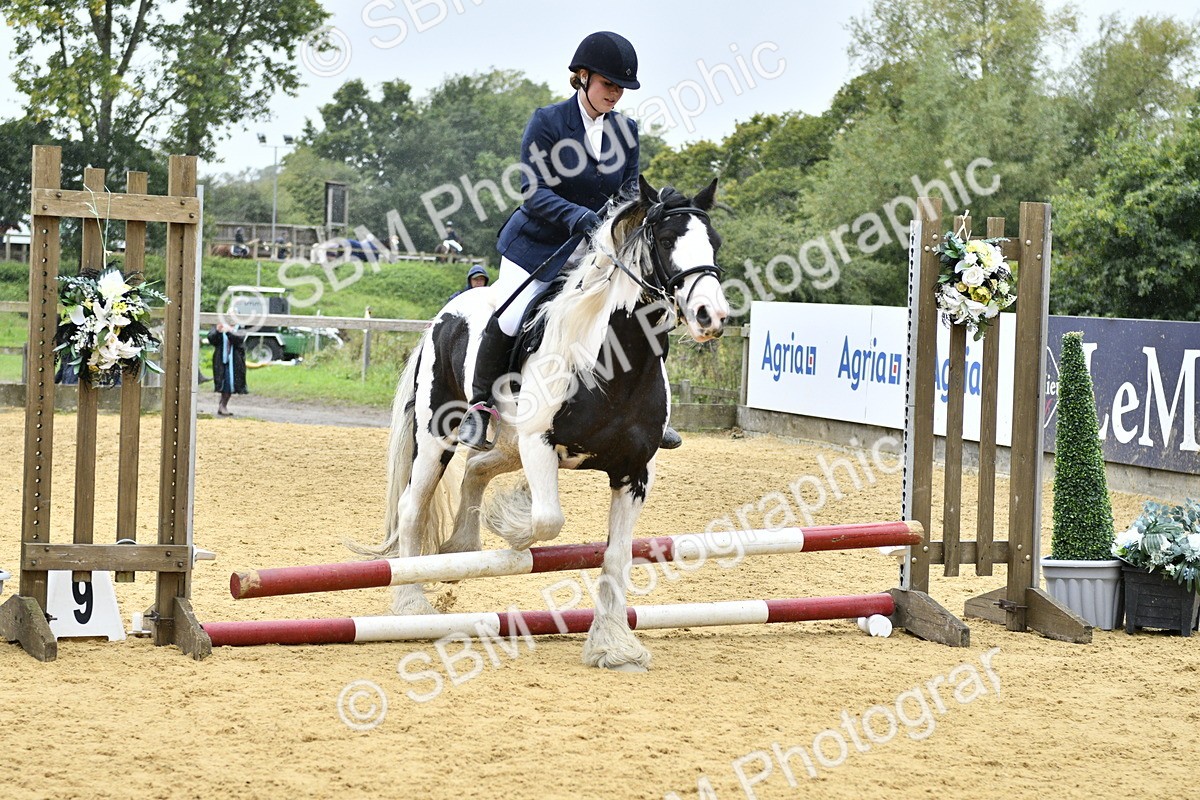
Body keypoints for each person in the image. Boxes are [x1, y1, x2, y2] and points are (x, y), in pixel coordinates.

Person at [457, 31, 681, 452]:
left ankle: (651, 412)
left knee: (645, 313)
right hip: (539, 245)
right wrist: (579, 217)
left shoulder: (626, 131)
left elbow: (629, 193)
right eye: (608, 84)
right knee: (511, 314)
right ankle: (480, 407)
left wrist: (623, 225)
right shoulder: (548, 122)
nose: (615, 94)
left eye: (621, 88)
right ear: (582, 77)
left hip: (597, 254)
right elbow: (534, 190)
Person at [208, 323, 247, 416]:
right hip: (221, 360)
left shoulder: (240, 328)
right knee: (223, 383)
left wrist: (229, 332)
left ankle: (223, 405)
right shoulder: (219, 325)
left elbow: (239, 340)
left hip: (235, 361)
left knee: (230, 384)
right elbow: (212, 340)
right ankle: (222, 406)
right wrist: (217, 331)